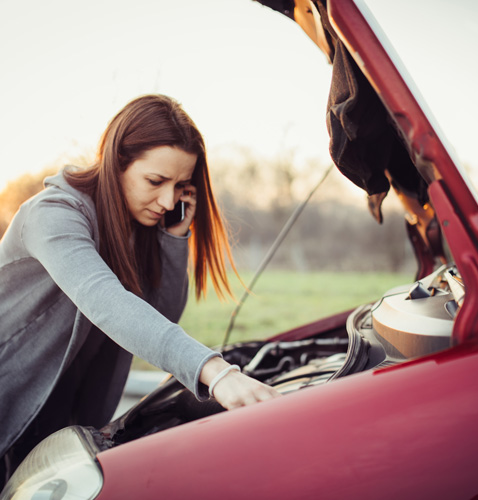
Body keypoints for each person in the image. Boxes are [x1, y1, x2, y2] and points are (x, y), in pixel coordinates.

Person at [0, 94, 280, 486]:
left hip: (52, 424)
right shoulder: (53, 216)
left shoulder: (137, 227)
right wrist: (216, 373)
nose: (168, 200)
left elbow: (158, 316)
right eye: (155, 181)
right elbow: (106, 303)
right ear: (116, 164)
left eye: (180, 186)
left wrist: (173, 240)